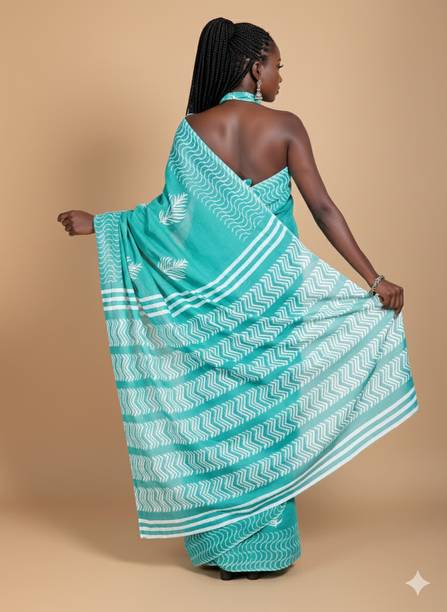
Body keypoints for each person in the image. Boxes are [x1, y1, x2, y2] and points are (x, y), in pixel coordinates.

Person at [56, 17, 419, 581]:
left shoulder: (192, 132)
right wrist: (374, 279)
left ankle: (222, 549)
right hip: (275, 302)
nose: (280, 77)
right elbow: (324, 209)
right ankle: (265, 550)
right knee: (272, 417)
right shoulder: (286, 127)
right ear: (254, 67)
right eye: (277, 66)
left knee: (217, 416)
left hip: (212, 308)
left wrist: (102, 224)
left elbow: (170, 222)